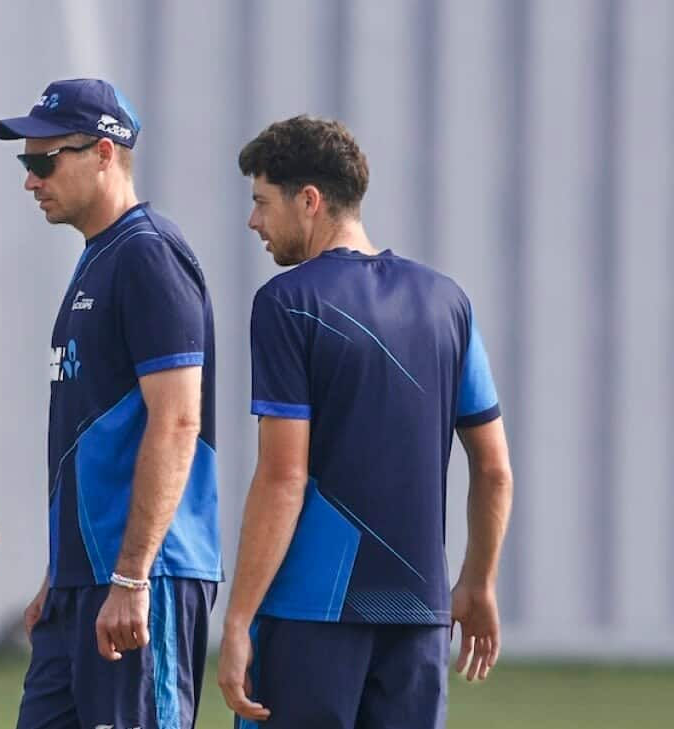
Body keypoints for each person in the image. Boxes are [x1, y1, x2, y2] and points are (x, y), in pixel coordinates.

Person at [218, 115, 514, 728]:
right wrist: (478, 582)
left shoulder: (288, 303)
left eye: (261, 203)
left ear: (309, 200)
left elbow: (283, 479)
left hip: (309, 615)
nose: (253, 222)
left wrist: (239, 620)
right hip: (419, 616)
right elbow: (494, 469)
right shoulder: (447, 303)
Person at [0, 79, 223, 729]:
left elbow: (177, 421)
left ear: (101, 152)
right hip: (84, 581)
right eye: (25, 163)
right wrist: (58, 577)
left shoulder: (148, 255)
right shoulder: (101, 258)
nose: (31, 181)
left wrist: (130, 577)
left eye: (43, 162)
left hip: (144, 575)